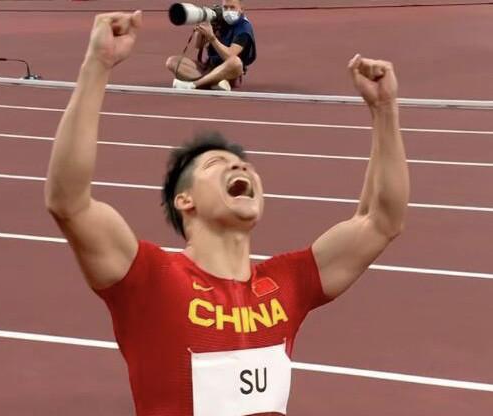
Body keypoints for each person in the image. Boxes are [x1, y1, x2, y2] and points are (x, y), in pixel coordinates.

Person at [45, 10, 409, 416]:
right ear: (185, 201)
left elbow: (381, 221)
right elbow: (69, 202)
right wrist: (97, 65)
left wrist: (385, 109)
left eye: (245, 165)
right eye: (217, 164)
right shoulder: (150, 280)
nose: (241, 167)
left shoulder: (287, 284)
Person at [165, 0, 256, 91]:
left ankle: (194, 85)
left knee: (236, 63)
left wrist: (212, 38)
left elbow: (229, 56)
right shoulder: (218, 20)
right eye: (225, 7)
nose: (228, 11)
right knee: (172, 62)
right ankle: (215, 82)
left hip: (228, 70)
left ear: (241, 9)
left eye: (232, 7)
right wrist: (201, 28)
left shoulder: (244, 28)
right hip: (209, 68)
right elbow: (198, 45)